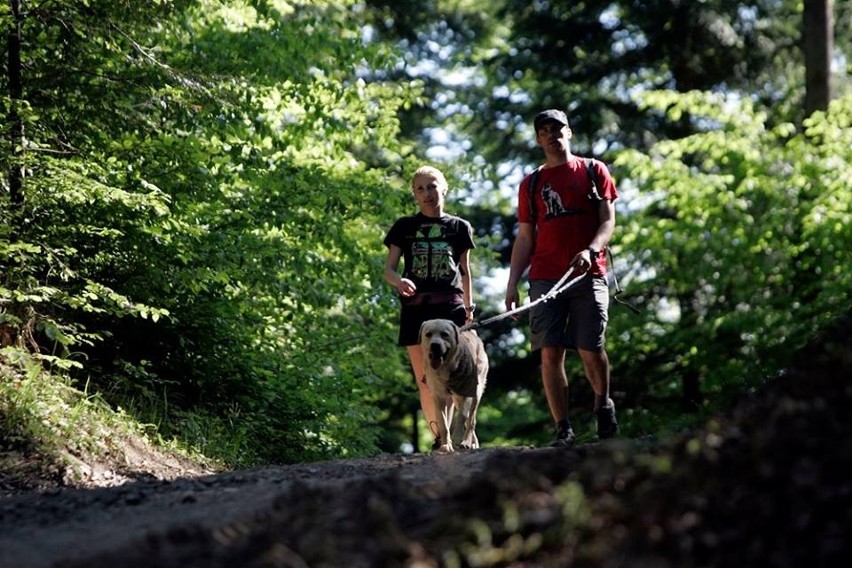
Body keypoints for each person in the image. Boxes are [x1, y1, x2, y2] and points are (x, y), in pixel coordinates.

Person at [504, 109, 619, 447]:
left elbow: (608, 221)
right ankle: (563, 428)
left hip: (589, 274)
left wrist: (591, 249)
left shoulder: (593, 171)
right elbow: (525, 238)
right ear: (538, 139)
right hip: (544, 279)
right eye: (544, 131)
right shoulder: (531, 184)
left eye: (557, 129)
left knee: (590, 348)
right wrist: (511, 284)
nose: (552, 135)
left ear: (569, 132)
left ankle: (603, 404)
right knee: (549, 353)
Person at [384, 165, 476, 451]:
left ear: (444, 188)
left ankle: (465, 434)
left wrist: (470, 305)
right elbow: (388, 269)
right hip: (416, 310)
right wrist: (399, 282)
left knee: (460, 376)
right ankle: (440, 439)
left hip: (451, 309)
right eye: (420, 188)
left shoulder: (459, 227)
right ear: (414, 194)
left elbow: (464, 270)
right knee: (426, 379)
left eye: (432, 186)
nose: (427, 193)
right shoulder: (404, 227)